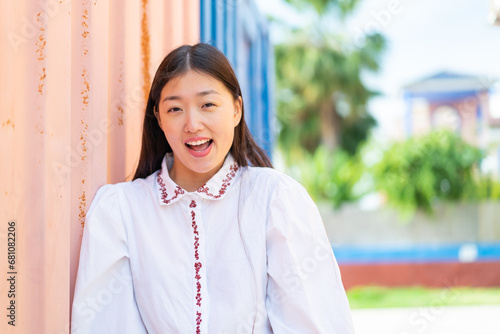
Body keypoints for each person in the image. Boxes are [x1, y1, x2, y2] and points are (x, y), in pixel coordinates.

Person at [71, 43, 354, 333]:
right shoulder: (119, 210)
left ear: (235, 109)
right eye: (175, 108)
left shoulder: (276, 199)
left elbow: (314, 323)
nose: (193, 124)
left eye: (208, 104)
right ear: (159, 118)